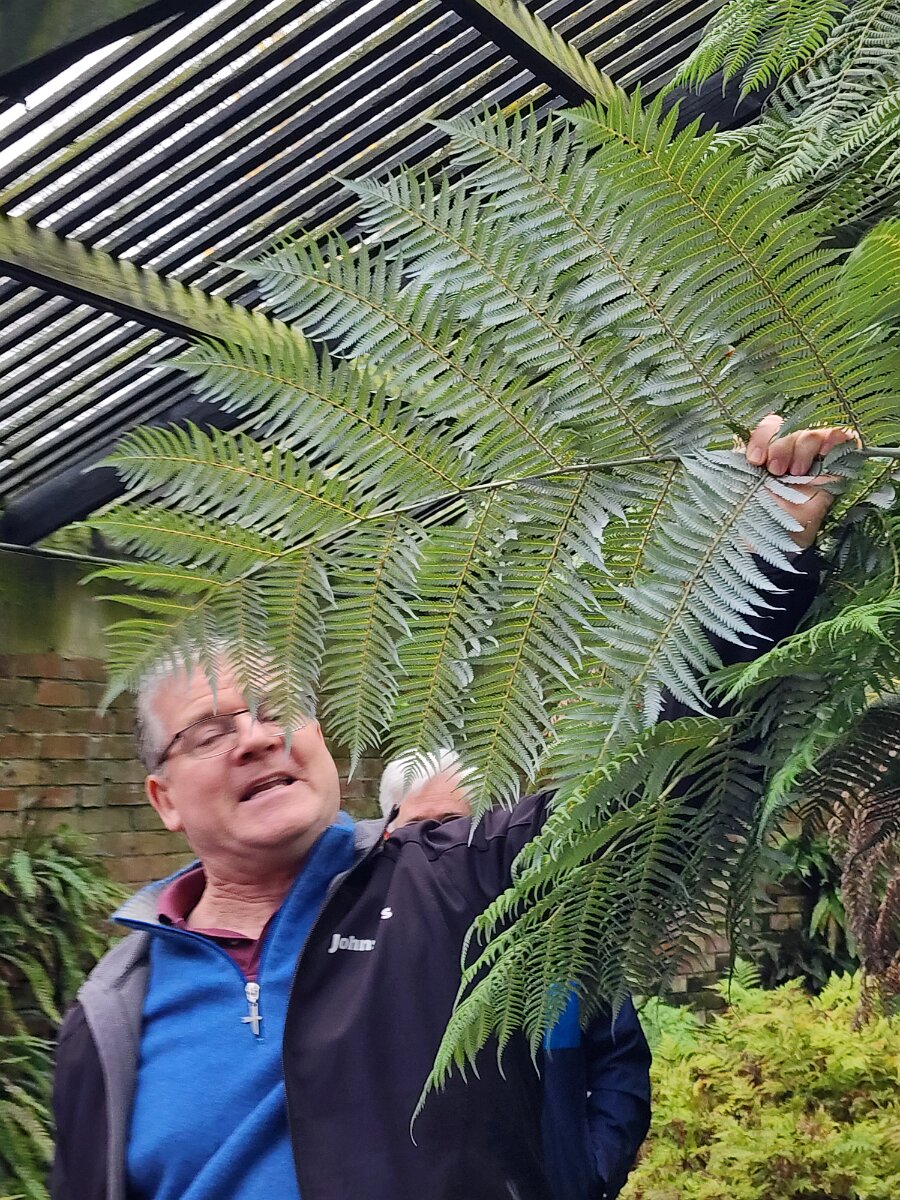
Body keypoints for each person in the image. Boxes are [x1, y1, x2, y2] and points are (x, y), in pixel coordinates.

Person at [50, 418, 850, 1200]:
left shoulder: (458, 878)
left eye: (276, 709)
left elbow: (654, 791)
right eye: (210, 732)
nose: (257, 739)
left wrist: (764, 558)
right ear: (163, 799)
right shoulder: (113, 1013)